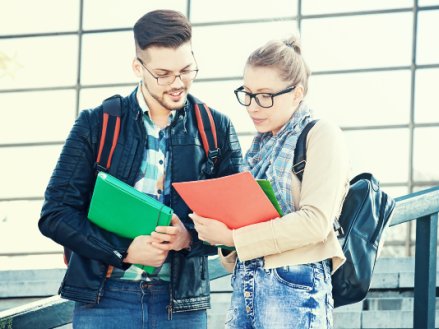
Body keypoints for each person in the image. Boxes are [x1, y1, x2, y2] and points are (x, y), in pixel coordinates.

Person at [38, 9, 242, 329]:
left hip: (182, 308)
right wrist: (124, 250)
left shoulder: (214, 128)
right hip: (104, 302)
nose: (178, 83)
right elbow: (55, 214)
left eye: (187, 70)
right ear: (138, 67)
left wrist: (188, 238)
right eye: (163, 73)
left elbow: (237, 221)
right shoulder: (97, 123)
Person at [190, 35, 350, 328]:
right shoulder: (258, 148)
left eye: (265, 95)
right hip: (247, 282)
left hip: (294, 286)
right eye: (247, 94)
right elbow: (245, 234)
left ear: (296, 93)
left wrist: (232, 237)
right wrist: (222, 236)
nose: (252, 106)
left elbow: (315, 222)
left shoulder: (321, 135)